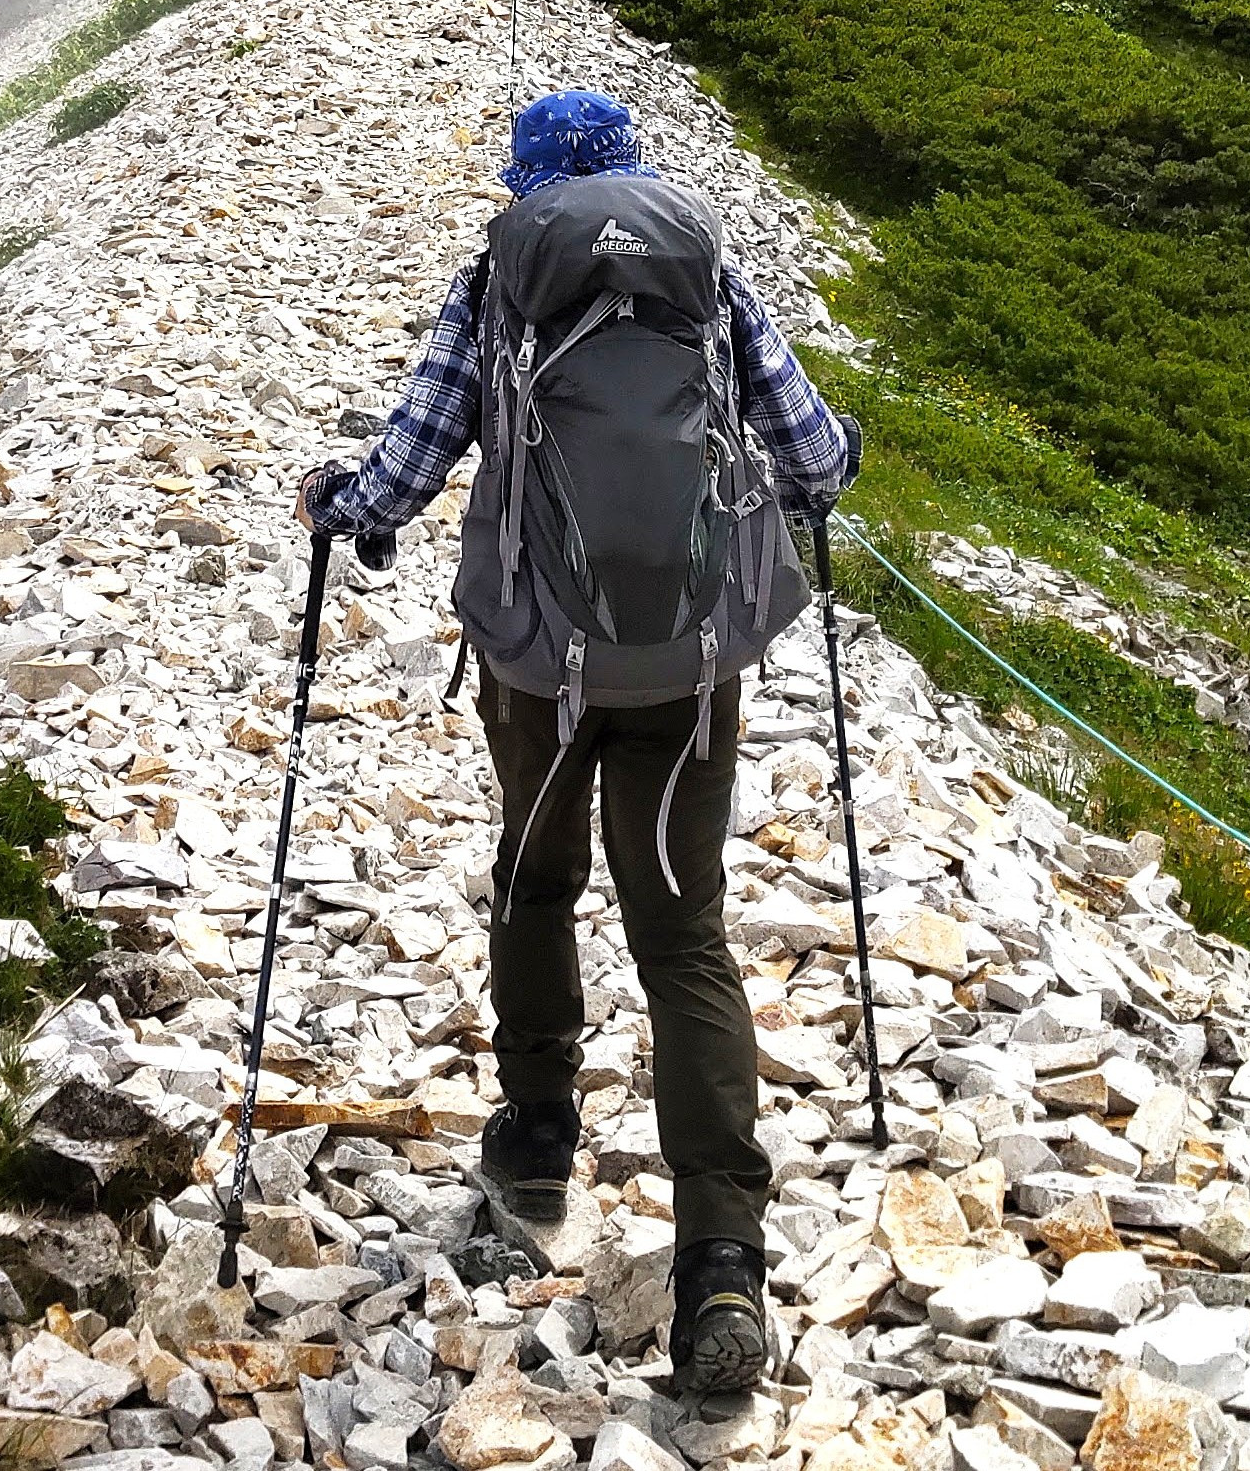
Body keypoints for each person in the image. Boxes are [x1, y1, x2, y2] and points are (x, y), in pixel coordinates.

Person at [298, 90, 860, 1396]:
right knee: (683, 932)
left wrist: (349, 511)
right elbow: (812, 453)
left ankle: (539, 1140)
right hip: (692, 666)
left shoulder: (500, 277)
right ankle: (721, 1259)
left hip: (535, 667)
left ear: (526, 183)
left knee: (537, 881)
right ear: (633, 170)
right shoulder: (703, 270)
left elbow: (414, 456)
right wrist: (817, 475)